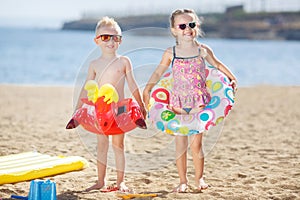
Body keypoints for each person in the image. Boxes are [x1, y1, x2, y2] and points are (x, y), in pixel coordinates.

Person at [143, 9, 237, 192]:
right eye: (182, 25)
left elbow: (217, 64)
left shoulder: (203, 50)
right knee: (180, 146)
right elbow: (158, 72)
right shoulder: (171, 52)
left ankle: (200, 178)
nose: (188, 29)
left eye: (192, 24)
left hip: (198, 103)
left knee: (196, 146)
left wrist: (232, 78)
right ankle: (182, 181)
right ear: (174, 30)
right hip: (177, 104)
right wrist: (148, 88)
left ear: (197, 27)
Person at [74, 16, 147, 192]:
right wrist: (77, 110)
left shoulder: (124, 61)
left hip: (119, 111)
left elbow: (132, 84)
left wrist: (141, 105)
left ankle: (120, 181)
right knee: (101, 145)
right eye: (106, 37)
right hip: (100, 111)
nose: (111, 41)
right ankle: (101, 181)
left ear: (120, 41)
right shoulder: (94, 64)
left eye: (116, 37)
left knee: (119, 145)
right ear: (97, 40)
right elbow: (86, 87)